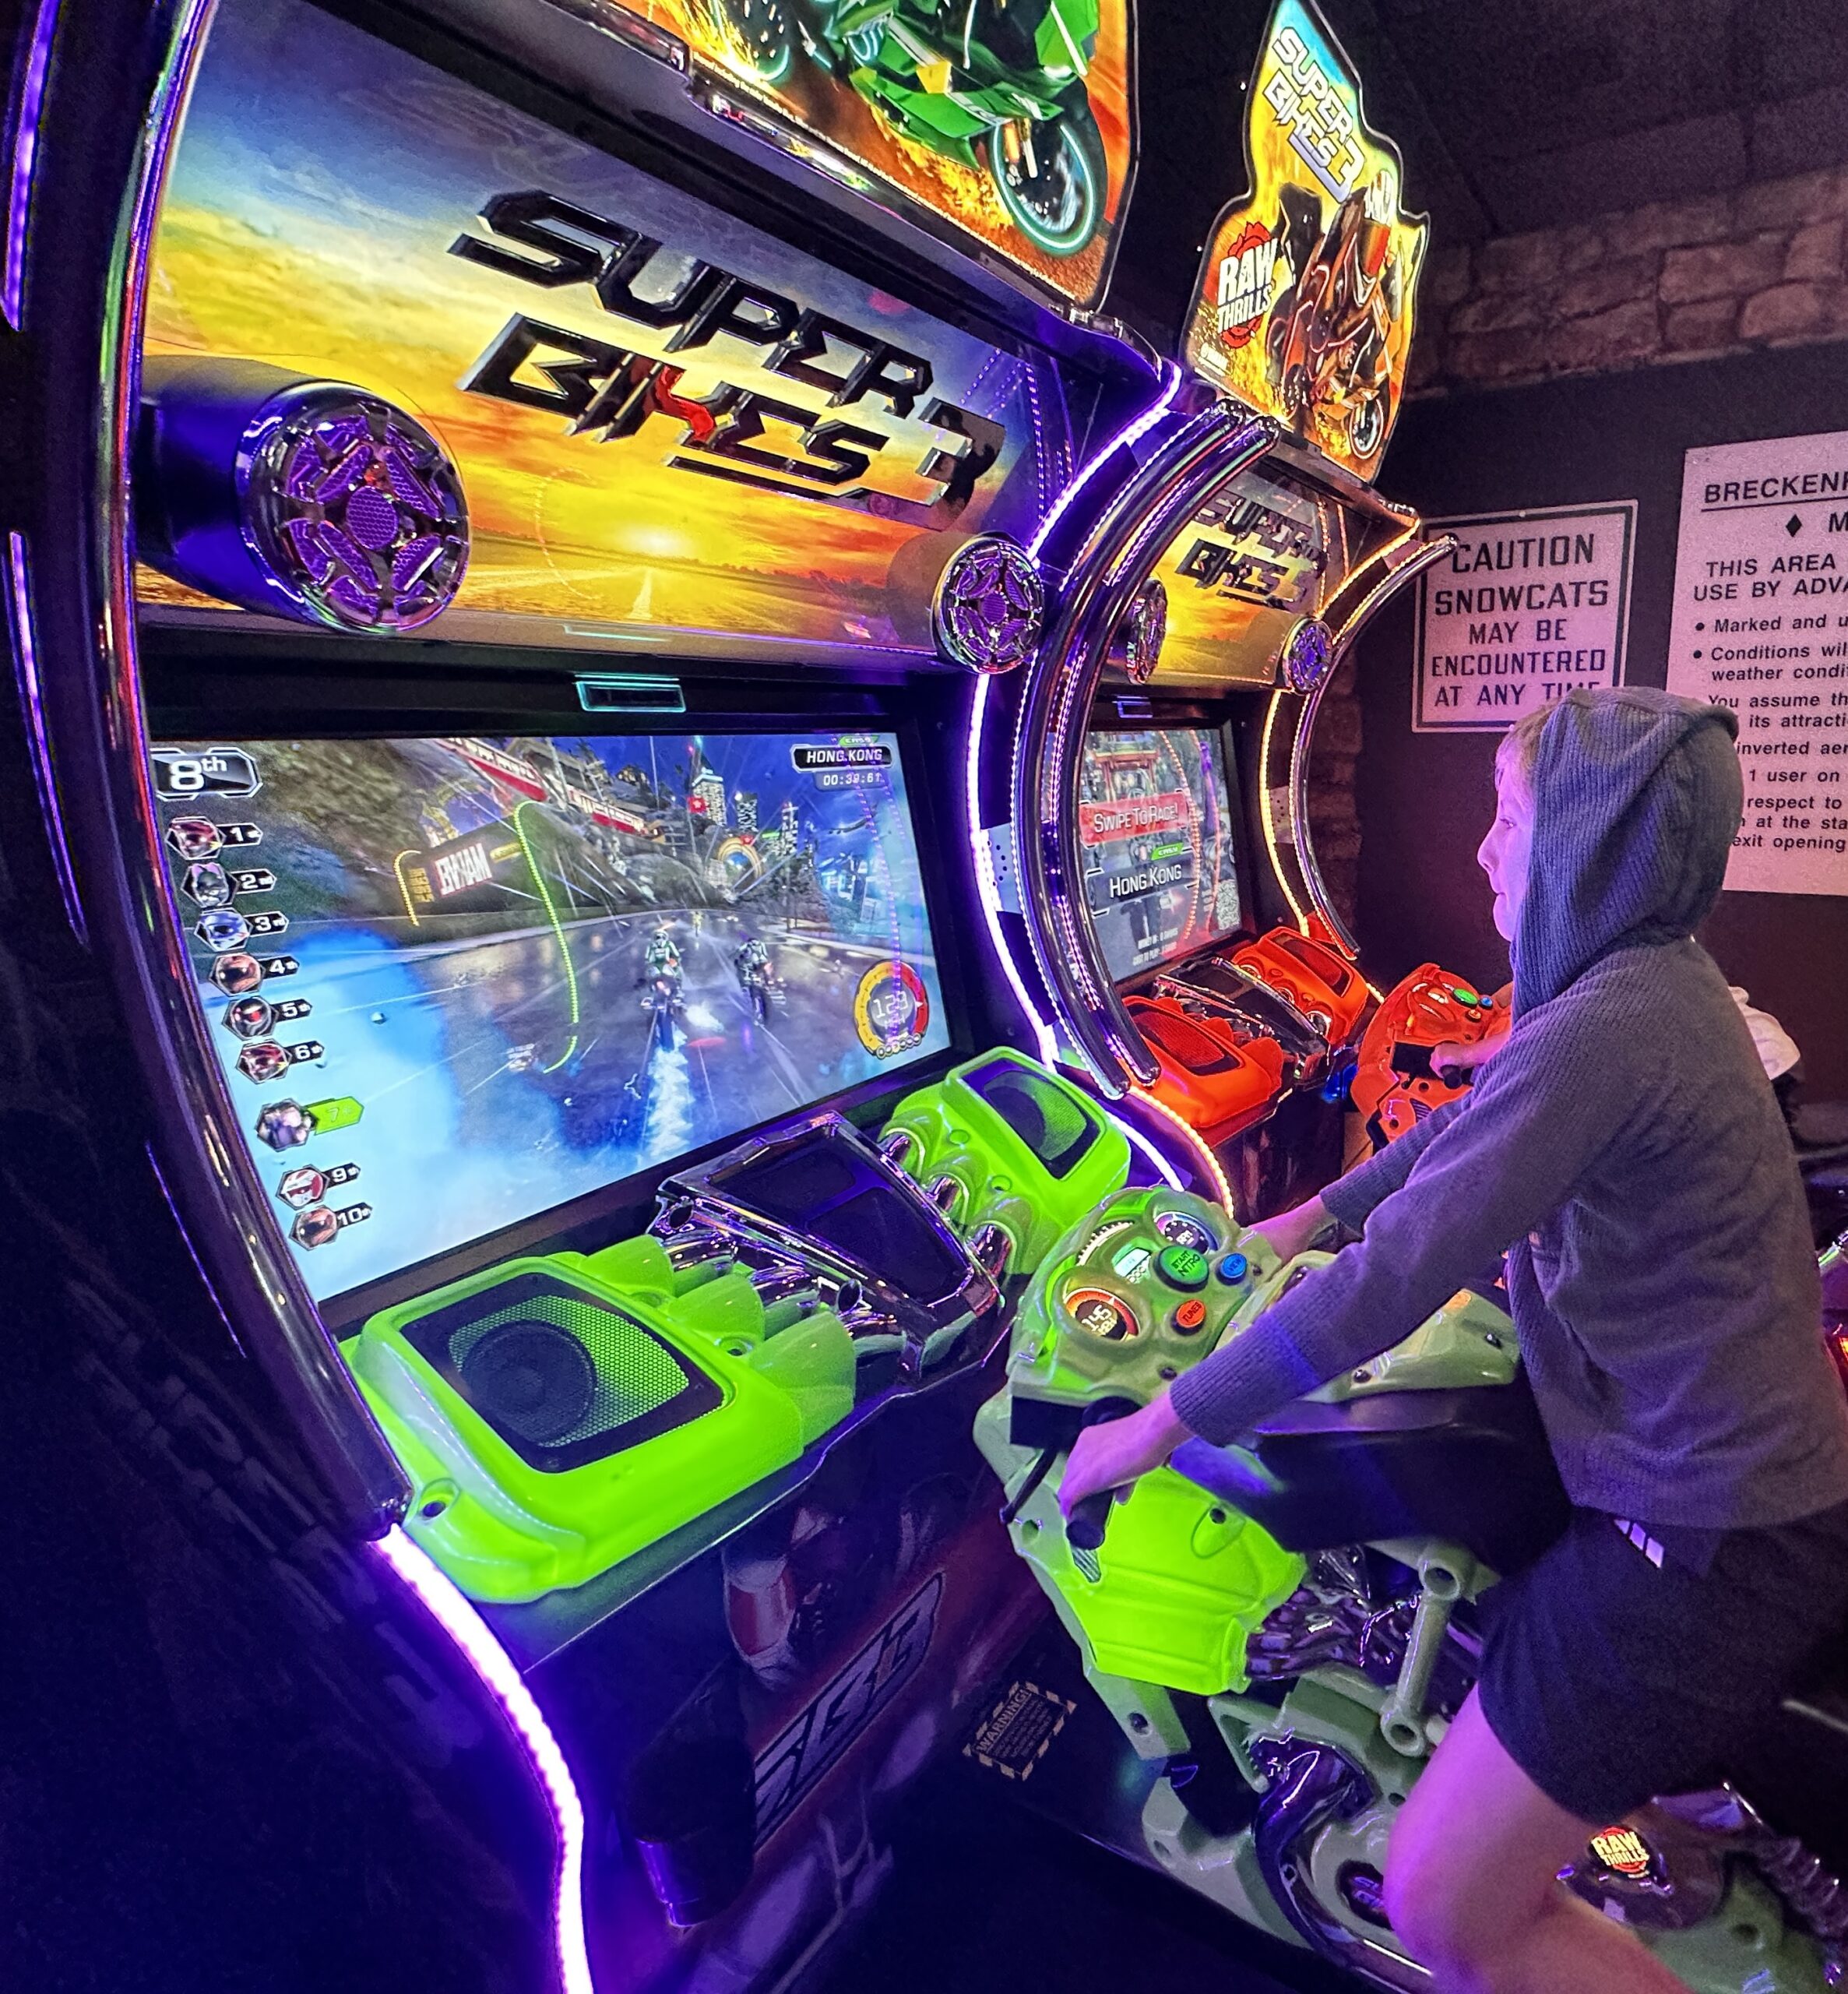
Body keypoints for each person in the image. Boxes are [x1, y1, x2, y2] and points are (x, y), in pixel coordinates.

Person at [1058, 688, 1848, 1993]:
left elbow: (1391, 1279)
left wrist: (1149, 1429)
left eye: (1510, 819)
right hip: (1728, 1493)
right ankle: (1647, 1832)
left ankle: (1580, 1859)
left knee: (1439, 1907)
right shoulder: (1645, 980)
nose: (1483, 851)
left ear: (1590, 846)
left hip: (1708, 1539)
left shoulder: (1611, 1024)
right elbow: (1467, 1128)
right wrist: (1299, 1218)